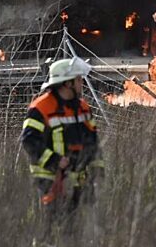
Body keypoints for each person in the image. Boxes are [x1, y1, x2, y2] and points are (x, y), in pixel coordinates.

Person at [20, 57, 101, 212]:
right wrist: (55, 161)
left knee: (78, 231)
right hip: (50, 182)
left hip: (80, 183)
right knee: (52, 230)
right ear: (67, 83)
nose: (81, 83)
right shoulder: (41, 108)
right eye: (78, 80)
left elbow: (93, 141)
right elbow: (29, 141)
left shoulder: (83, 107)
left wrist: (97, 172)